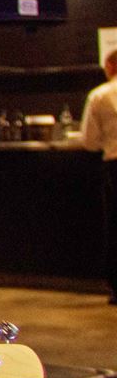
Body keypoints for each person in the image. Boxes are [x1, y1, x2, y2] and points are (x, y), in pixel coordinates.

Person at [80, 49, 117, 303]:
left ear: (110, 66)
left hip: (114, 164)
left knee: (114, 225)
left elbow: (89, 141)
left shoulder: (99, 95)